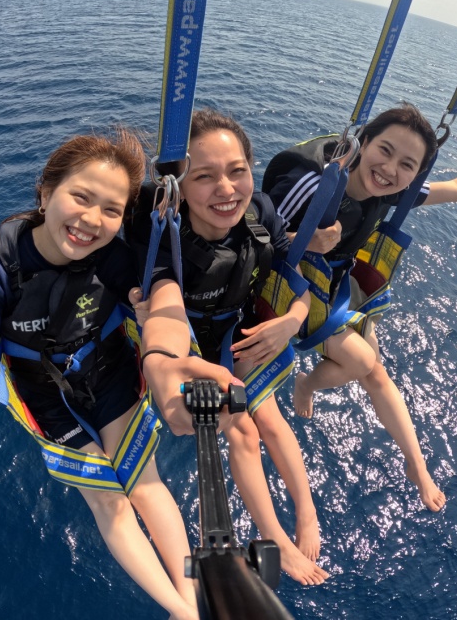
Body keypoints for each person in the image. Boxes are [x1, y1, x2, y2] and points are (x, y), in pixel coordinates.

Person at [0, 129, 198, 620]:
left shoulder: (115, 259)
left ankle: (191, 598)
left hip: (109, 366)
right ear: (45, 192)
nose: (91, 221)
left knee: (144, 482)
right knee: (109, 501)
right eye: (80, 197)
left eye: (111, 209)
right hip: (40, 390)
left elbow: (157, 296)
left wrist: (153, 321)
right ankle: (181, 613)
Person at [262, 102, 457, 512]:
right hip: (292, 283)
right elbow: (252, 237)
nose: (391, 170)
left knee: (377, 373)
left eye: (407, 164)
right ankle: (308, 384)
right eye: (384, 150)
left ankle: (416, 464)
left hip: (336, 281)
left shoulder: (395, 190)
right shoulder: (312, 184)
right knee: (361, 361)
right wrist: (301, 239)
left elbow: (456, 189)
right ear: (362, 141)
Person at [128, 109, 329, 586]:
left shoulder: (260, 212)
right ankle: (273, 534)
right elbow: (165, 305)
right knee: (243, 430)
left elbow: (293, 280)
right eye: (204, 177)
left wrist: (290, 324)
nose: (227, 189)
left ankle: (306, 510)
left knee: (273, 420)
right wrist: (162, 360)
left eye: (237, 171)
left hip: (234, 328)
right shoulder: (158, 228)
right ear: (177, 189)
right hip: (185, 337)